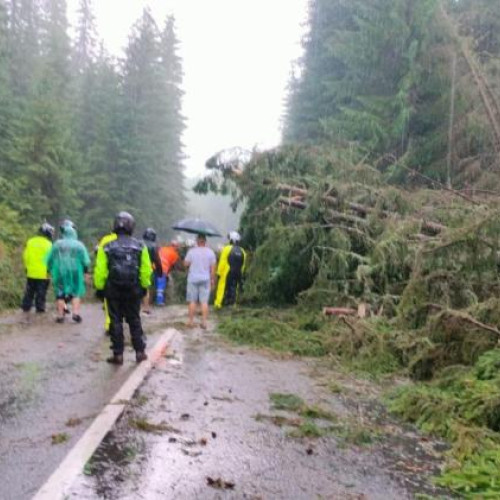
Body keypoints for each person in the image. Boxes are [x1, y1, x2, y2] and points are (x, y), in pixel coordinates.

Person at [94, 212, 152, 365]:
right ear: (131, 226)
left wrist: (100, 288)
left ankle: (118, 354)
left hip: (113, 289)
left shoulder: (106, 246)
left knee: (115, 321)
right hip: (133, 289)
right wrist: (144, 286)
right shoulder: (140, 246)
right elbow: (146, 270)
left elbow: (100, 270)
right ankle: (140, 351)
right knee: (134, 319)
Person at [46, 225, 91, 323]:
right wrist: (86, 272)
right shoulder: (79, 245)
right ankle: (76, 314)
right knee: (76, 292)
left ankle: (60, 315)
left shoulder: (57, 244)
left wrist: (49, 270)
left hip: (61, 271)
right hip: (75, 270)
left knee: (60, 293)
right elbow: (85, 260)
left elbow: (50, 258)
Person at [21, 223, 55, 320]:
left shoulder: (30, 241)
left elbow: (25, 256)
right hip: (43, 273)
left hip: (31, 271)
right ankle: (40, 308)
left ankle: (26, 307)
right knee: (41, 292)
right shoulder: (49, 244)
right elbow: (51, 259)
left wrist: (27, 266)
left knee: (29, 290)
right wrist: (50, 269)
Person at [184, 233, 216, 329]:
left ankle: (190, 321)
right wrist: (212, 279)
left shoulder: (191, 251)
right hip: (205, 279)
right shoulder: (211, 252)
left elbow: (185, 264)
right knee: (204, 302)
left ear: (197, 241)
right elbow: (213, 268)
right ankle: (204, 322)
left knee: (192, 301)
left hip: (193, 279)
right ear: (205, 241)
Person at [214, 231, 247, 309]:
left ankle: (218, 304)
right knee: (235, 288)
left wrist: (218, 273)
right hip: (237, 273)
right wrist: (240, 273)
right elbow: (243, 265)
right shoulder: (243, 251)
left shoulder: (227, 248)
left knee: (221, 287)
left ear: (232, 240)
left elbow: (222, 262)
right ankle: (232, 304)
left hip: (226, 272)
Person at [142, 228, 163, 313]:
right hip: (148, 269)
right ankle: (146, 307)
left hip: (136, 268)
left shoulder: (139, 243)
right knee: (146, 288)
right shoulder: (154, 247)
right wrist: (160, 271)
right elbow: (157, 260)